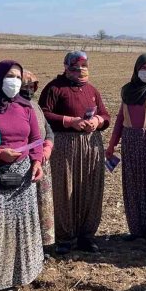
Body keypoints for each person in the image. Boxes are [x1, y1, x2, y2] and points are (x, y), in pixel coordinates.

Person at [0, 60, 44, 291]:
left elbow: (35, 138)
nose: (14, 82)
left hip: (22, 175)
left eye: (18, 77)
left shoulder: (25, 107)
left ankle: (21, 273)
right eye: (9, 76)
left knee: (20, 225)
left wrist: (37, 161)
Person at [39, 51, 110, 254]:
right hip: (65, 145)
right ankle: (65, 237)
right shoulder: (55, 88)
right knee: (65, 189)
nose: (80, 71)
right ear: (66, 67)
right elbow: (43, 113)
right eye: (75, 67)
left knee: (89, 189)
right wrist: (70, 121)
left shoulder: (92, 90)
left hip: (90, 145)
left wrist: (98, 121)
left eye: (83, 67)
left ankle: (86, 235)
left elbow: (105, 114)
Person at [106, 53, 146, 245]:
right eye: (143, 68)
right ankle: (137, 230)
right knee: (133, 185)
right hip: (131, 141)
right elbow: (120, 118)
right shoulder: (127, 91)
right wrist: (112, 143)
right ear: (136, 69)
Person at [20, 70, 56, 255]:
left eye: (31, 86)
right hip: (25, 163)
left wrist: (48, 146)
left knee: (43, 206)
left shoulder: (35, 105)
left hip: (43, 160)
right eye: (24, 86)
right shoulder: (13, 107)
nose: (28, 89)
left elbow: (47, 129)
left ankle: (43, 246)